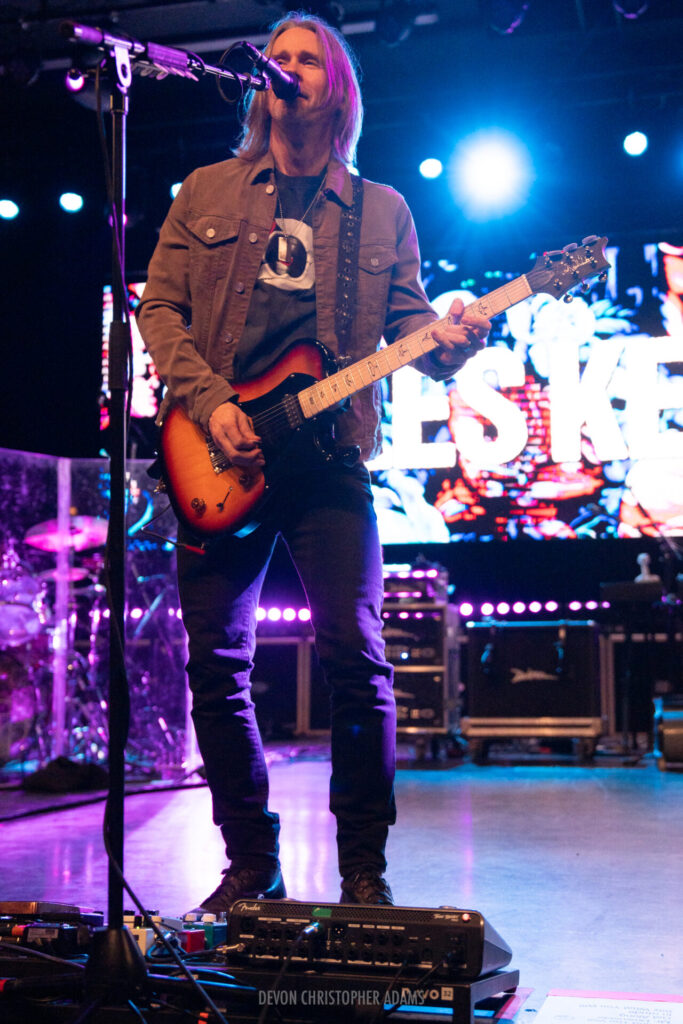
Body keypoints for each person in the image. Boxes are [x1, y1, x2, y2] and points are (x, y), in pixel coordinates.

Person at [136, 12, 490, 914]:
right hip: (216, 450)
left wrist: (450, 342)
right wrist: (211, 404)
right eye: (277, 58)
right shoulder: (207, 190)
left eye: (306, 59)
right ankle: (251, 863)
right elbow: (160, 309)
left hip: (328, 457)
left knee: (357, 659)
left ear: (337, 90)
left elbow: (410, 328)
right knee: (216, 666)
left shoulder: (382, 209)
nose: (286, 69)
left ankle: (363, 869)